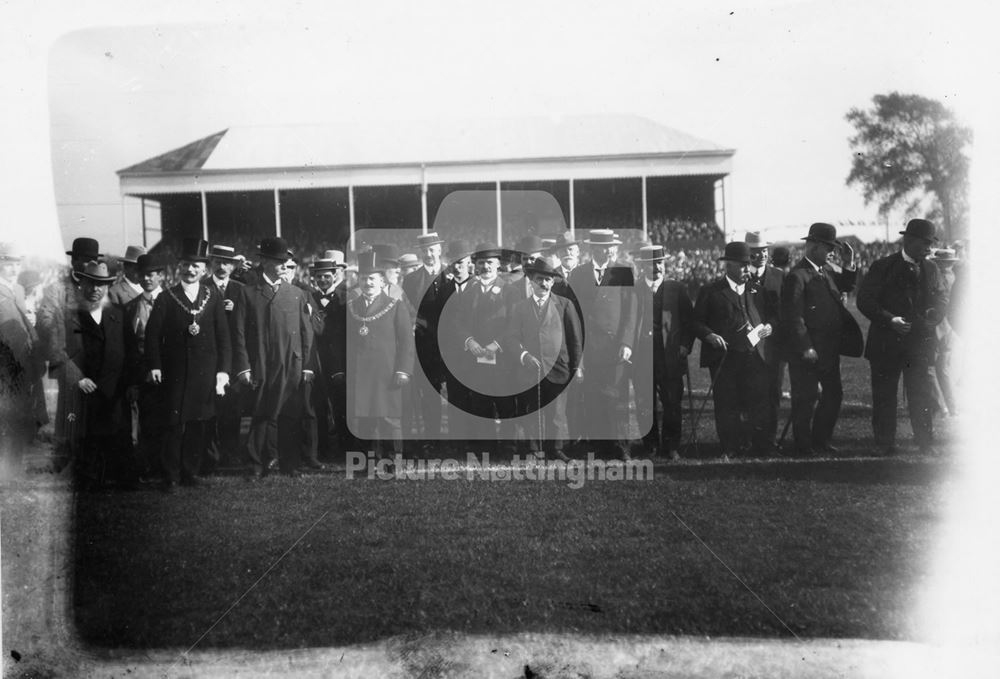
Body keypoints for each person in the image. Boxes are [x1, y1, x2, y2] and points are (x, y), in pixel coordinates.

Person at [145, 239, 231, 490]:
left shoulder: (212, 296)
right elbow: (152, 335)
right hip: (175, 373)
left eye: (195, 266)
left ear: (204, 270)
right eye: (185, 265)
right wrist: (155, 366)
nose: (190, 271)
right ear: (178, 268)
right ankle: (170, 475)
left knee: (198, 424)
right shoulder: (166, 297)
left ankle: (189, 472)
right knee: (173, 425)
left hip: (205, 373)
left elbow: (223, 337)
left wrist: (223, 371)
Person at [857, 219, 949, 455]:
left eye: (931, 243)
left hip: (919, 346)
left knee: (921, 396)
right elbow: (865, 301)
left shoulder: (932, 269)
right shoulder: (882, 266)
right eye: (925, 243)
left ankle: (925, 443)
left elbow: (941, 298)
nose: (929, 248)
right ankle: (884, 444)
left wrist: (933, 315)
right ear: (908, 240)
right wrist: (889, 320)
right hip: (886, 344)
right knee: (885, 396)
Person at [233, 237, 314, 477]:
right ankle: (256, 465)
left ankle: (290, 465)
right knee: (261, 413)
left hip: (292, 364)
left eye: (286, 261)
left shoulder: (296, 293)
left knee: (290, 414)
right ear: (265, 262)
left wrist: (307, 365)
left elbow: (306, 331)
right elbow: (238, 335)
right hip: (262, 364)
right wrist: (244, 367)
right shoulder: (248, 293)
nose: (284, 265)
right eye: (279, 261)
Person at [781, 222, 863, 457]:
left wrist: (849, 263)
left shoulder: (825, 271)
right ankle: (804, 445)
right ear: (814, 246)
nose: (832, 252)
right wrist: (805, 346)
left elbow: (848, 284)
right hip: (808, 350)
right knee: (805, 399)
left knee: (833, 395)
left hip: (828, 349)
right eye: (828, 247)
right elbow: (793, 317)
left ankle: (821, 440)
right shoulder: (798, 276)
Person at [693, 242, 778, 459]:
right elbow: (696, 322)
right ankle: (730, 446)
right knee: (726, 403)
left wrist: (769, 327)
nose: (746, 270)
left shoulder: (756, 290)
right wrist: (710, 336)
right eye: (741, 266)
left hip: (753, 356)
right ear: (728, 266)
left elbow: (772, 316)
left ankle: (757, 444)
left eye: (747, 265)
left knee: (757, 401)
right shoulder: (711, 291)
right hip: (724, 358)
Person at [62, 260, 134, 489]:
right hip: (85, 390)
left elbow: (132, 352)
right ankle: (90, 478)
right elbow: (59, 352)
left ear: (107, 287)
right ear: (81, 284)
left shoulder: (118, 314)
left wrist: (130, 384)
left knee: (118, 437)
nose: (95, 290)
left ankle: (120, 477)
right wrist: (77, 378)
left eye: (101, 285)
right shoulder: (70, 316)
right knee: (89, 442)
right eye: (91, 284)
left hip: (115, 391)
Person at [337, 249, 413, 462]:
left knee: (389, 419)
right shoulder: (352, 307)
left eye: (372, 279)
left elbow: (407, 342)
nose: (367, 283)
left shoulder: (395, 306)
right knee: (365, 419)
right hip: (361, 374)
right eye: (363, 279)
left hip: (387, 374)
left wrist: (403, 370)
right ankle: (369, 462)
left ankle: (392, 462)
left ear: (381, 281)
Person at [566, 229, 637, 460]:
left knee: (617, 398)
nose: (607, 251)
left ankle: (620, 446)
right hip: (588, 346)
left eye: (610, 247)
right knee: (593, 396)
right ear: (592, 249)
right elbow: (573, 311)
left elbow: (630, 311)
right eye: (602, 247)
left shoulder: (623, 272)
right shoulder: (577, 274)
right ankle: (598, 446)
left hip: (615, 346)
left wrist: (626, 341)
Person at [503, 258, 582, 462]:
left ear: (553, 282)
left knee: (556, 413)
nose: (543, 284)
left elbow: (574, 339)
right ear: (531, 280)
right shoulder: (520, 307)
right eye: (539, 279)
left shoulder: (565, 305)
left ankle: (555, 449)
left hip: (558, 367)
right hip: (530, 368)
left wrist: (577, 367)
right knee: (531, 410)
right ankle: (534, 449)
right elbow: (510, 337)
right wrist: (524, 356)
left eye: (547, 280)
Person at [36, 237, 103, 460]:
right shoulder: (57, 289)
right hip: (69, 360)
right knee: (71, 418)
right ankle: (69, 464)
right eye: (83, 259)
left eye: (92, 260)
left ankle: (95, 465)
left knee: (96, 417)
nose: (87, 264)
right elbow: (44, 321)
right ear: (74, 261)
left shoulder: (100, 287)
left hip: (96, 361)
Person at [452, 242, 516, 456]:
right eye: (481, 263)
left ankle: (508, 447)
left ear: (498, 264)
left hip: (502, 355)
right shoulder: (469, 289)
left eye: (490, 262)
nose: (486, 267)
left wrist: (496, 344)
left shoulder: (510, 289)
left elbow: (515, 324)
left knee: (506, 402)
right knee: (481, 401)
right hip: (477, 355)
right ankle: (487, 446)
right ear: (475, 265)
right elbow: (458, 321)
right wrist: (469, 342)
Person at [632, 245, 694, 460]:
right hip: (641, 355)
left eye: (660, 262)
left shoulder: (676, 289)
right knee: (644, 402)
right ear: (642, 266)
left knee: (672, 402)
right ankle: (649, 445)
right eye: (651, 263)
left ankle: (671, 446)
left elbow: (689, 321)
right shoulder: (633, 289)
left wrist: (685, 345)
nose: (657, 267)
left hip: (670, 355)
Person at [0, 243, 47, 478]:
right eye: (8, 264)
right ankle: (8, 473)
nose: (13, 269)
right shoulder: (2, 292)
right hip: (7, 369)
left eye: (16, 264)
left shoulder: (9, 290)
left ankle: (11, 472)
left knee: (15, 422)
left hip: (17, 368)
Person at [122, 253, 167, 483]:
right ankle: (146, 465)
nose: (147, 279)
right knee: (146, 422)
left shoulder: (171, 301)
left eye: (151, 274)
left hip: (168, 371)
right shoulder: (131, 308)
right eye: (143, 275)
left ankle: (166, 465)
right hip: (142, 372)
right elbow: (130, 346)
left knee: (167, 420)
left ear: (161, 276)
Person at [401, 232, 448, 451]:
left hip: (451, 343)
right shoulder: (411, 280)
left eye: (432, 249)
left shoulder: (453, 274)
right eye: (425, 251)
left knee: (452, 393)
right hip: (424, 345)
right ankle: (428, 440)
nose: (429, 254)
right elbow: (410, 312)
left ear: (439, 249)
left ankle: (451, 440)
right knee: (426, 392)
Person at [204, 244, 245, 469]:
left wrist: (235, 308)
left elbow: (248, 324)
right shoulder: (202, 287)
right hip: (209, 356)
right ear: (211, 263)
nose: (222, 266)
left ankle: (231, 453)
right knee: (209, 408)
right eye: (218, 261)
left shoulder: (240, 289)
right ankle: (210, 456)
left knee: (232, 408)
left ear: (233, 266)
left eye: (226, 262)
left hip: (233, 357)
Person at [745, 231, 786, 445]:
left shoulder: (779, 276)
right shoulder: (741, 276)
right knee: (750, 392)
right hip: (749, 346)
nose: (760, 255)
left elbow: (785, 310)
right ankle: (751, 438)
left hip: (773, 345)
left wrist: (772, 326)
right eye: (754, 251)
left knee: (773, 392)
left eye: (763, 250)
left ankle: (769, 440)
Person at [310, 250, 350, 460]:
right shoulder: (310, 297)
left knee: (341, 404)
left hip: (340, 359)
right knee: (319, 404)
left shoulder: (345, 298)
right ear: (314, 279)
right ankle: (323, 449)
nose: (323, 280)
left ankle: (344, 448)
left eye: (327, 276)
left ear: (335, 275)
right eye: (319, 277)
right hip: (317, 359)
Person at [928, 247, 960, 415]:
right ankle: (952, 407)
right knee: (944, 370)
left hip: (938, 327)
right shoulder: (952, 276)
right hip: (947, 327)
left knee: (930, 367)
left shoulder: (942, 278)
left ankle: (941, 407)